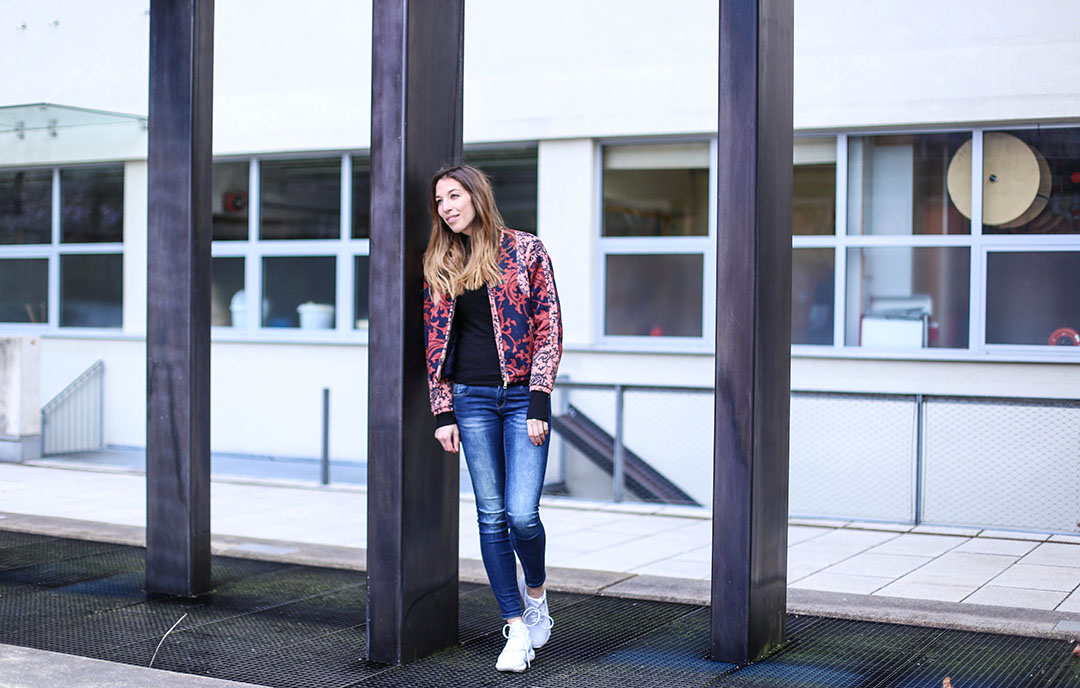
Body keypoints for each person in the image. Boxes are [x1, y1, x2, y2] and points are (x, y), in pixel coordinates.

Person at [423, 164, 561, 673]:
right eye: (439, 201)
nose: (446, 207)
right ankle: (517, 626)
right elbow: (435, 341)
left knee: (522, 514)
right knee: (491, 514)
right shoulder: (441, 259)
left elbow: (548, 325)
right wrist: (442, 409)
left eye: (454, 196)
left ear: (477, 195)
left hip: (523, 395)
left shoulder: (526, 250)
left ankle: (537, 593)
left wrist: (540, 398)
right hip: (471, 400)